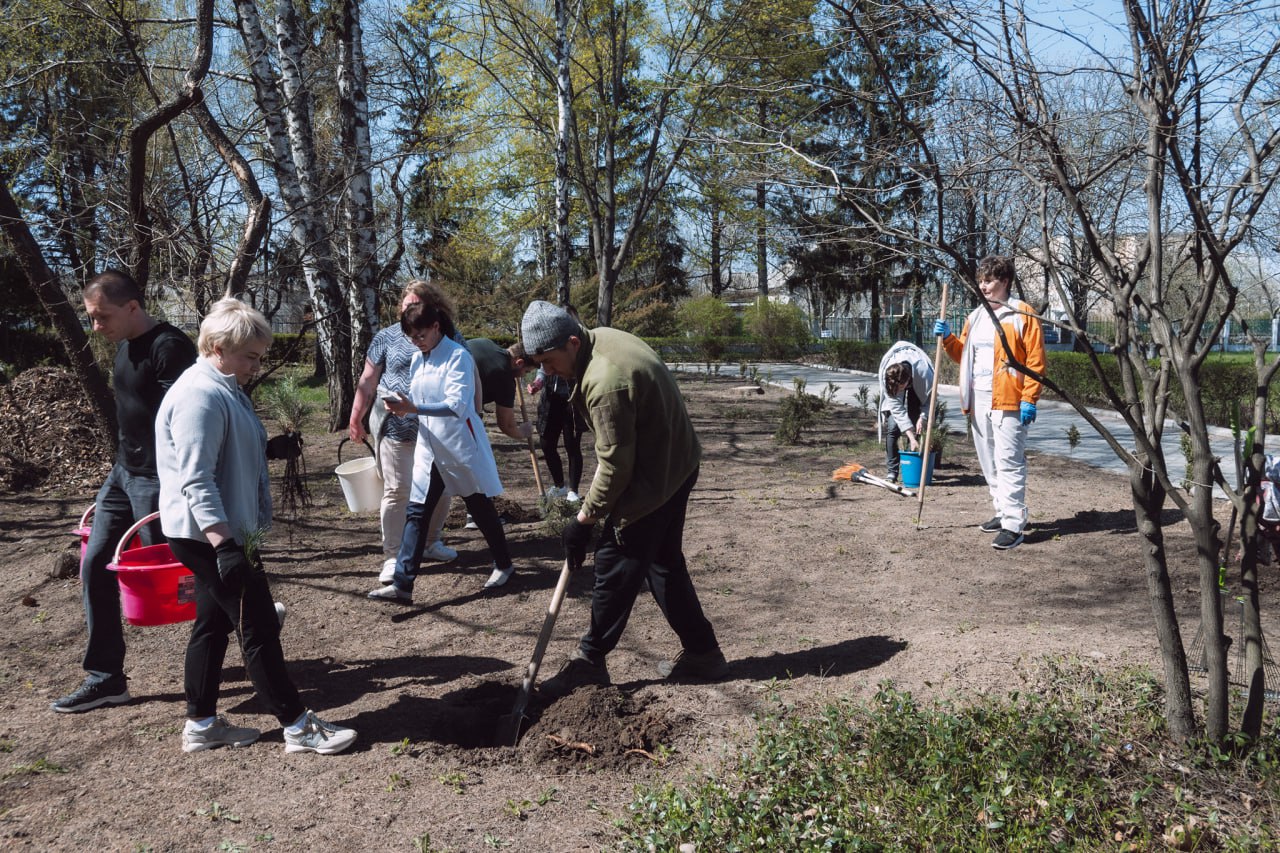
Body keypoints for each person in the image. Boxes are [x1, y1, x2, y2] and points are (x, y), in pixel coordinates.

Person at [156, 297, 356, 754]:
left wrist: (270, 449)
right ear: (219, 346)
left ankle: (202, 726)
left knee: (211, 625)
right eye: (250, 356)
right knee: (258, 625)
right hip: (210, 533)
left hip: (219, 531)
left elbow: (223, 452)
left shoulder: (223, 386)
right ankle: (297, 727)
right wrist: (224, 543)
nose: (255, 365)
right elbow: (196, 477)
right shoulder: (198, 395)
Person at [519, 300, 727, 698]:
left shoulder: (604, 381)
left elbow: (614, 467)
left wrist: (583, 521)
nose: (546, 372)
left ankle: (589, 661)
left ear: (573, 343)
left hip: (655, 477)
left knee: (615, 563)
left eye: (548, 361)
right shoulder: (603, 341)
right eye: (538, 363)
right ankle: (704, 653)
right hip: (675, 463)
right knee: (663, 563)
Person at [51, 269, 198, 714]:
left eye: (102, 316)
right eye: (92, 317)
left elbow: (188, 419)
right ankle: (105, 678)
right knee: (95, 562)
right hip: (122, 474)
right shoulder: (123, 348)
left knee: (179, 575)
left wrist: (177, 480)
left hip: (159, 478)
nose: (96, 326)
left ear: (133, 307)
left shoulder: (170, 348)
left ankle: (253, 616)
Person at [368, 301, 516, 601]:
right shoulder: (418, 359)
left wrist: (414, 407)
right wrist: (402, 406)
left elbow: (457, 406)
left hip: (459, 445)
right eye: (411, 338)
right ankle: (403, 584)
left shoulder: (458, 356)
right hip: (429, 447)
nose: (416, 342)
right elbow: (420, 400)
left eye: (420, 336)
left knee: (479, 506)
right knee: (417, 511)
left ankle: (504, 564)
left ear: (436, 327)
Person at [349, 281, 459, 587]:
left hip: (436, 427)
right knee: (397, 490)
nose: (406, 310)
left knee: (443, 490)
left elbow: (463, 373)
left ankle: (430, 543)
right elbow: (368, 380)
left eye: (413, 306)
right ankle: (393, 555)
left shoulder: (447, 334)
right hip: (395, 427)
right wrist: (355, 417)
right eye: (404, 305)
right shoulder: (386, 337)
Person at [934, 255, 1046, 550]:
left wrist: (1029, 398)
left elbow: (1035, 362)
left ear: (1005, 282)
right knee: (988, 460)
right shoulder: (976, 317)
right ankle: (1001, 510)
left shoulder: (1022, 315)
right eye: (981, 280)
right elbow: (964, 356)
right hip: (978, 397)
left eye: (990, 281)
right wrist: (948, 339)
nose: (983, 286)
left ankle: (1014, 524)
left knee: (1009, 461)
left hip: (1009, 399)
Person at [877, 341, 935, 483]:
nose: (898, 392)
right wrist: (910, 435)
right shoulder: (888, 376)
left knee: (916, 422)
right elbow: (897, 410)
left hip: (918, 380)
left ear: (907, 381)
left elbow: (930, 400)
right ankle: (892, 471)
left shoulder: (924, 373)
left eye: (900, 388)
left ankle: (913, 464)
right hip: (900, 376)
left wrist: (923, 417)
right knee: (892, 427)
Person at [528, 366, 587, 501]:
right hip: (550, 400)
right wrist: (538, 383)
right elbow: (543, 369)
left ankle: (573, 490)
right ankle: (559, 486)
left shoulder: (574, 347)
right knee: (546, 444)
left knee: (572, 445)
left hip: (572, 401)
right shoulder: (548, 348)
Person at [465, 337, 536, 443]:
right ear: (519, 363)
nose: (523, 376)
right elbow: (507, 425)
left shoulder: (484, 342)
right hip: (458, 415)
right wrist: (524, 432)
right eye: (526, 371)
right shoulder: (505, 378)